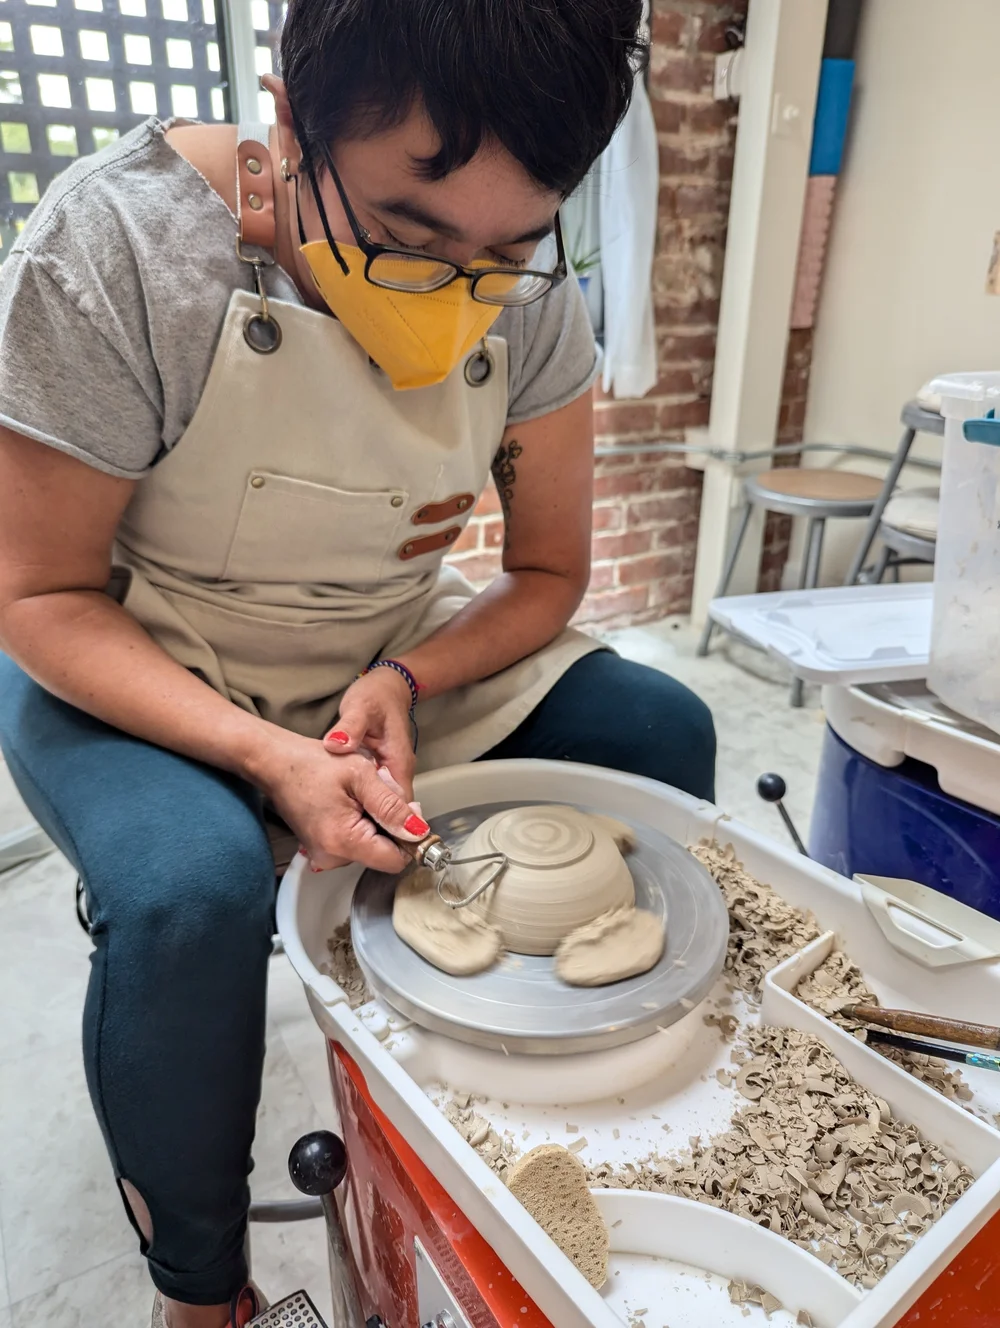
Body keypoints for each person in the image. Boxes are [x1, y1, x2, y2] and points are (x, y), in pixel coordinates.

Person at [0, 1, 715, 1323]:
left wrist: (407, 681)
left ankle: (583, 1125)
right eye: (405, 236)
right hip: (131, 644)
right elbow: (38, 595)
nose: (459, 292)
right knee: (191, 892)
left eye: (509, 250)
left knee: (659, 733)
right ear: (288, 123)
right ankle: (200, 1290)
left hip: (384, 635)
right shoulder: (122, 248)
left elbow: (547, 572)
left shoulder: (533, 298)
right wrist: (267, 757)